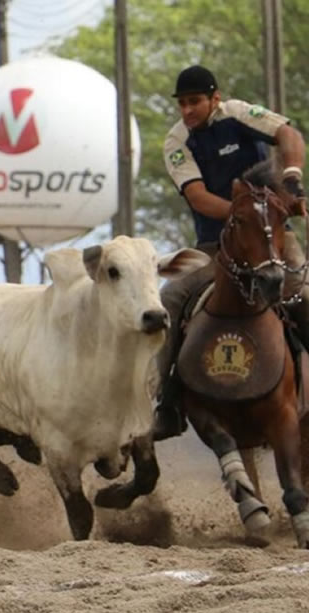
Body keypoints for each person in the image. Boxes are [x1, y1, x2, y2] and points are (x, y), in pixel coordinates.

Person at [154, 64, 308, 440]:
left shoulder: (238, 114)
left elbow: (288, 133)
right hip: (214, 248)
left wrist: (291, 177)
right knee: (170, 298)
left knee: (305, 295)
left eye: (195, 102)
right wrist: (250, 215)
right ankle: (166, 402)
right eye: (183, 104)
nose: (188, 110)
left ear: (215, 99)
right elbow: (198, 197)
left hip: (276, 241)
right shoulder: (177, 143)